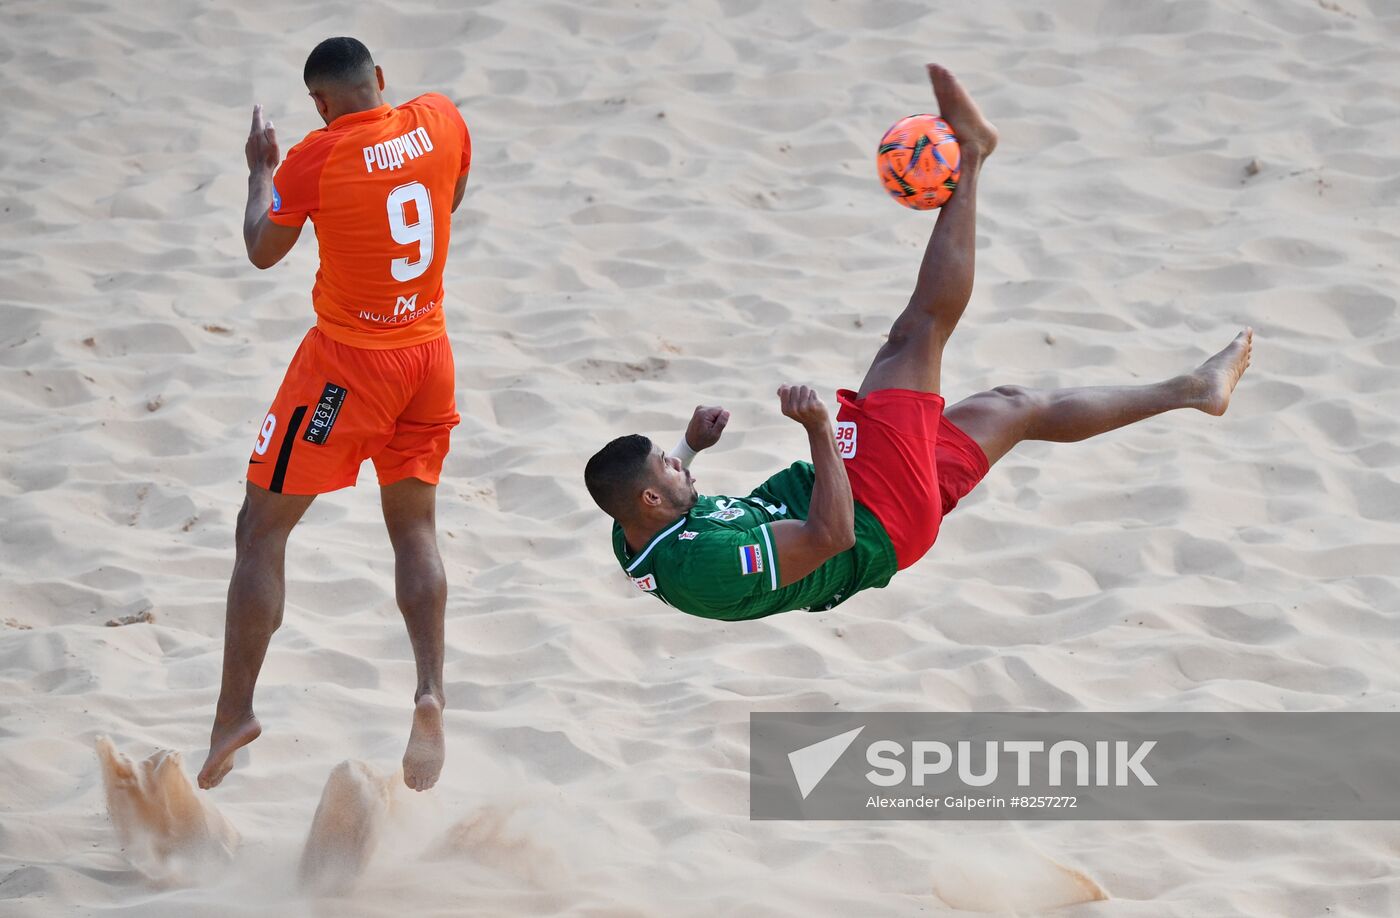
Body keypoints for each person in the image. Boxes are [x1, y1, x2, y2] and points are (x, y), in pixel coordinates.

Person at [583, 64, 1253, 623]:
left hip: (888, 523)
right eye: (671, 472)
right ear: (651, 500)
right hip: (867, 511)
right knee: (916, 333)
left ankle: (1195, 390)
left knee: (1015, 407)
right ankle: (973, 155)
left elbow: (656, 490)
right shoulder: (707, 567)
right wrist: (819, 427)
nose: (681, 471)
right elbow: (829, 536)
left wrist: (690, 444)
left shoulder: (634, 527)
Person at [198, 37, 472, 792]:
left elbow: (262, 250)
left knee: (261, 527)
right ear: (380, 80)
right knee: (414, 527)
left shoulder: (313, 158)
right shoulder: (440, 118)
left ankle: (233, 714)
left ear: (321, 104)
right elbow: (447, 199)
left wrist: (259, 171)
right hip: (431, 356)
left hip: (348, 370)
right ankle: (429, 690)